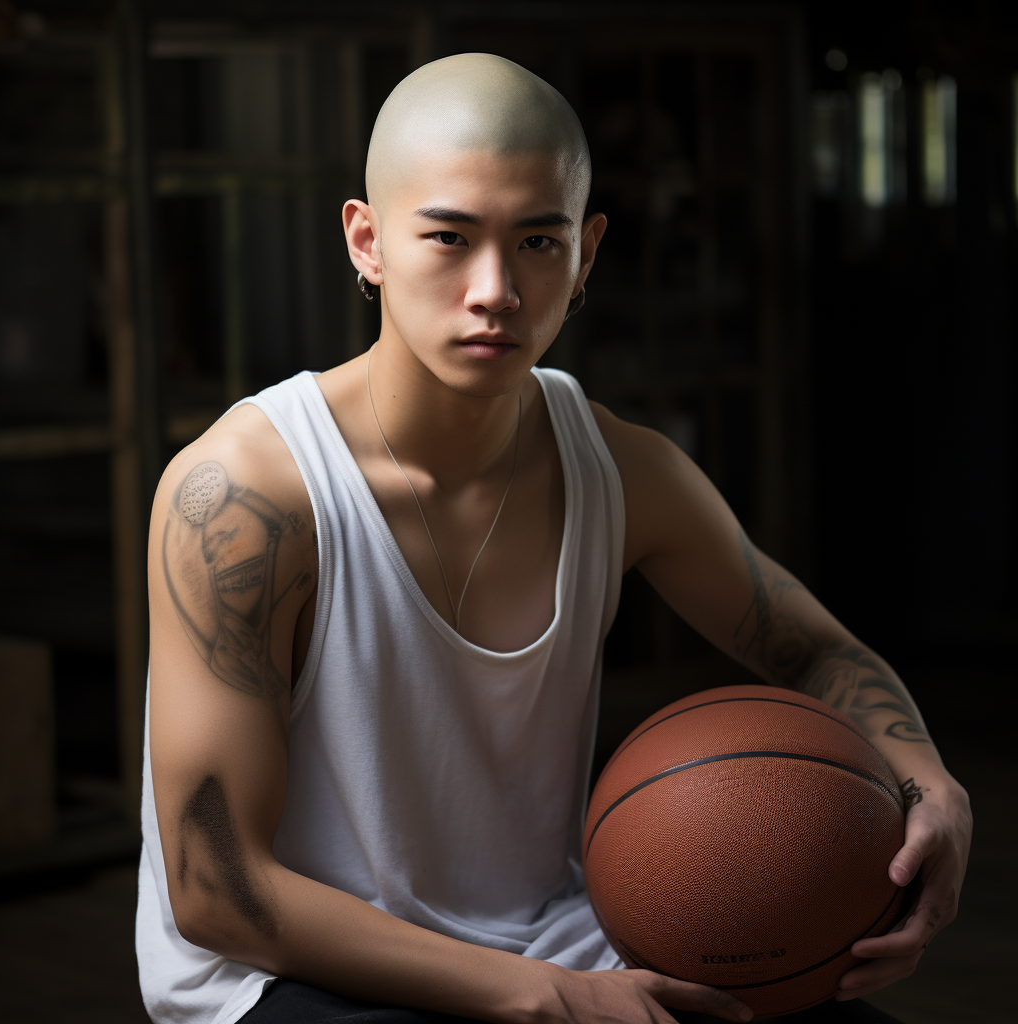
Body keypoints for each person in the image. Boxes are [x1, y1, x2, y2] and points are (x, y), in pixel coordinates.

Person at [137, 53, 972, 1024]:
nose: (495, 289)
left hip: (546, 938)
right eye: (448, 236)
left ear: (586, 252)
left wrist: (928, 783)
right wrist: (545, 996)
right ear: (366, 241)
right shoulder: (248, 493)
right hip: (283, 967)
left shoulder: (620, 468)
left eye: (538, 240)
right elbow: (216, 889)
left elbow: (813, 648)